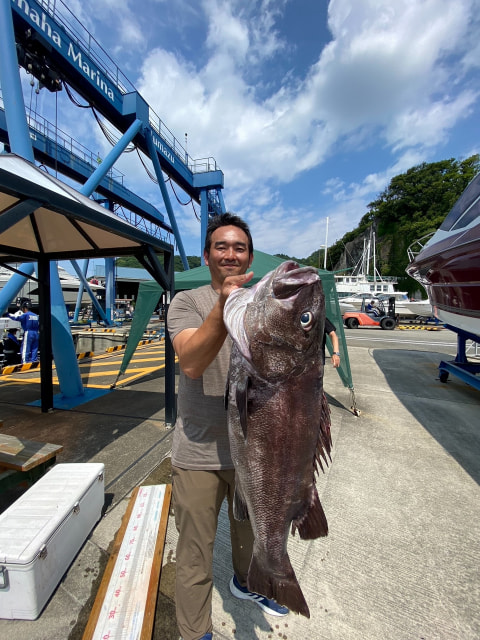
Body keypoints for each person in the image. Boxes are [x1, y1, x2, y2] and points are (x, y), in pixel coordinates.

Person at [167, 213, 289, 640]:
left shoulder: (266, 304)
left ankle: (248, 583)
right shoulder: (186, 302)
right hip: (199, 452)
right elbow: (192, 362)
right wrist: (225, 303)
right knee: (195, 554)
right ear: (207, 256)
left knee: (251, 534)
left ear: (250, 256)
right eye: (222, 246)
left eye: (239, 247)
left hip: (253, 452)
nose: (230, 254)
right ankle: (194, 631)